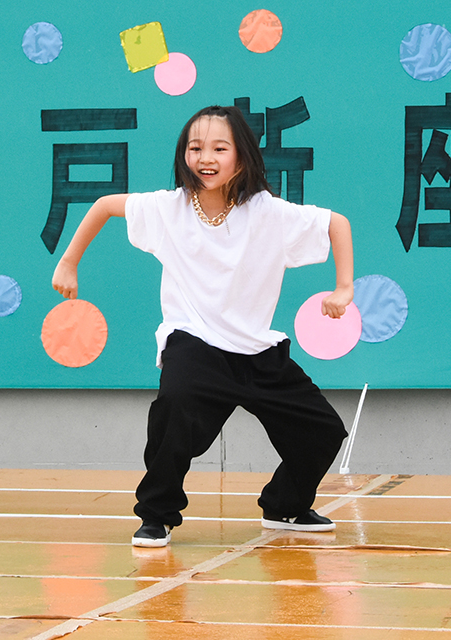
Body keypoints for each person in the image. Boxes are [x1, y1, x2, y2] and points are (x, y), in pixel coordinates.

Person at [52, 105, 353, 547]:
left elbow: (336, 224)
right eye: (195, 148)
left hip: (256, 351)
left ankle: (284, 505)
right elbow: (104, 206)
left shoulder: (268, 213)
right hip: (194, 342)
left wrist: (343, 288)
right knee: (173, 413)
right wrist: (68, 262)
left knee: (323, 430)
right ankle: (156, 515)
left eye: (219, 149)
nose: (205, 158)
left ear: (242, 157)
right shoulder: (168, 208)